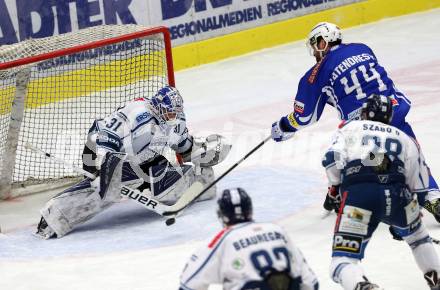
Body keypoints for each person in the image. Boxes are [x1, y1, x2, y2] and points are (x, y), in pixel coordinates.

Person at [270, 22, 440, 221]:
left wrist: (283, 127)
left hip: (363, 127)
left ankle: (340, 191)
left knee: (344, 159)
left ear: (323, 42)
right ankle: (433, 197)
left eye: (315, 46)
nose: (314, 53)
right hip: (394, 111)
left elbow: (305, 116)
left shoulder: (316, 73)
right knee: (412, 157)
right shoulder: (362, 49)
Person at [35, 86, 231, 239]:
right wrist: (93, 167)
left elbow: (186, 150)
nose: (173, 117)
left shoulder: (176, 121)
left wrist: (206, 153)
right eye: (170, 113)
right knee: (105, 190)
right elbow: (98, 133)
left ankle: (189, 187)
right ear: (158, 107)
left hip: (151, 162)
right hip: (120, 160)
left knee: (194, 179)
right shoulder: (138, 113)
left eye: (176, 113)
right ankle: (55, 217)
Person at [322, 94, 440, 290]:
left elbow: (331, 160)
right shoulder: (404, 138)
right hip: (399, 195)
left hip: (359, 196)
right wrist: (403, 216)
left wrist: (335, 189)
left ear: (365, 112)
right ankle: (436, 279)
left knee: (342, 261)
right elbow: (418, 185)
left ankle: (363, 286)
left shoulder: (350, 128)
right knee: (419, 239)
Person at [179, 187, 319, 290]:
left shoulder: (220, 240)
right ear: (250, 210)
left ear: (222, 215)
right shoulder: (276, 230)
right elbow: (311, 283)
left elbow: (188, 285)